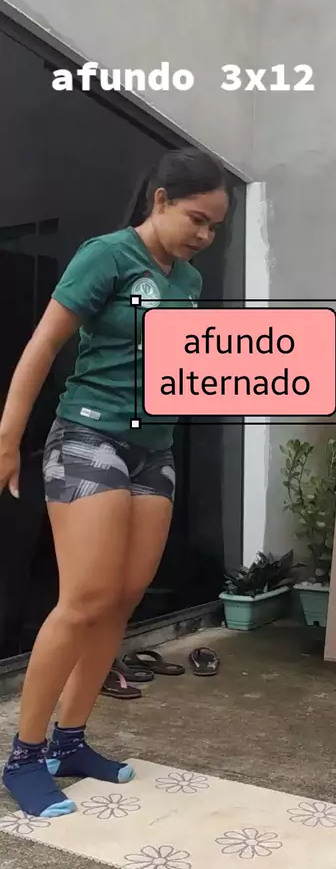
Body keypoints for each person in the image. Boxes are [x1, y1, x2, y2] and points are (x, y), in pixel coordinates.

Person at [0, 146, 230, 818]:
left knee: (121, 600)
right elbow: (43, 344)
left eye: (215, 227)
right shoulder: (106, 256)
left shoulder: (188, 280)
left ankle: (71, 742)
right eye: (196, 219)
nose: (204, 235)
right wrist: (8, 437)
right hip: (88, 438)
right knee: (84, 599)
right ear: (160, 200)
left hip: (153, 451)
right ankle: (24, 757)